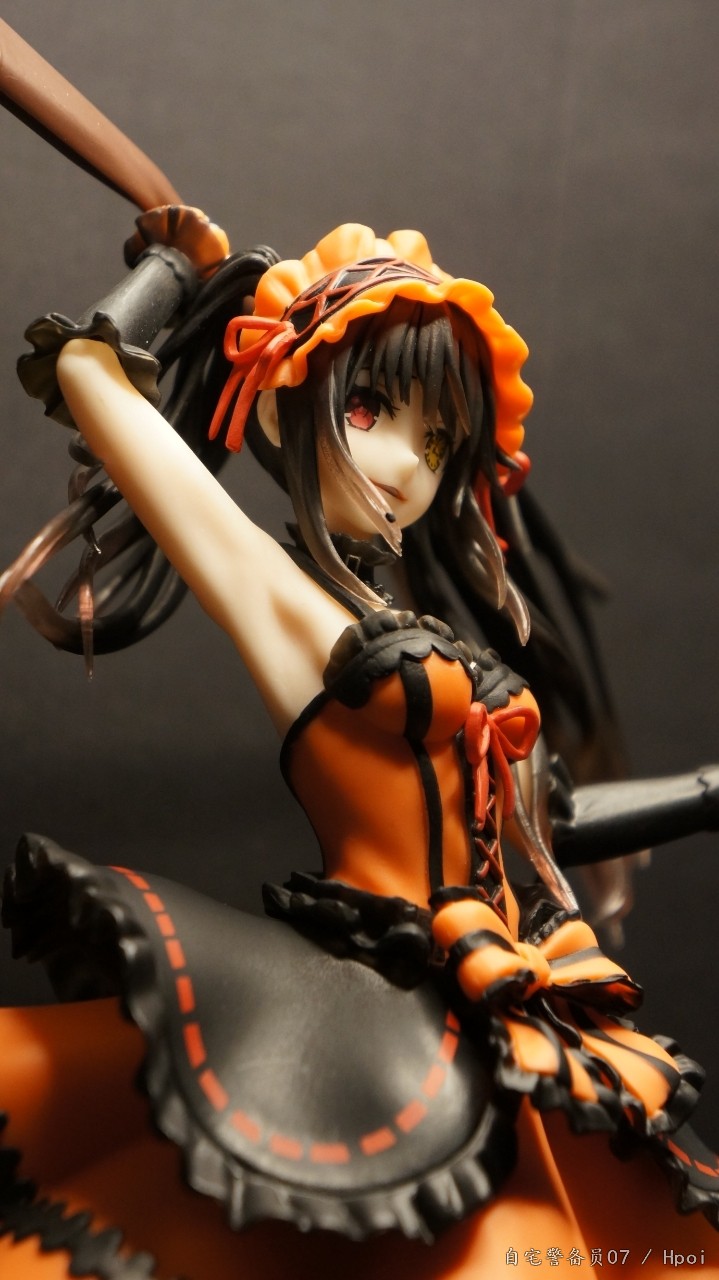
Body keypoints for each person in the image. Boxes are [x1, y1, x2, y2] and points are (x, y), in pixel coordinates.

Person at [0, 221, 717, 1278]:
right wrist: (173, 270)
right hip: (366, 1006)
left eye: (435, 444)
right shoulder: (276, 595)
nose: (403, 466)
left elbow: (546, 820)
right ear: (286, 402)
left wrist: (704, 791)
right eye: (372, 409)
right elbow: (89, 377)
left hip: (499, 1002)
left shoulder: (429, 636)